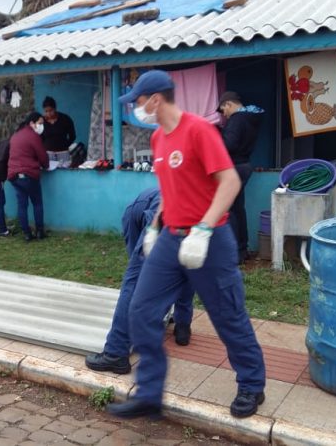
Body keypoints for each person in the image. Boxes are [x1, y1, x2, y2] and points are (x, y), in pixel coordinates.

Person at [107, 70, 265, 420]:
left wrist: (205, 229)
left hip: (210, 240)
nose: (135, 108)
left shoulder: (199, 130)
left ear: (155, 100)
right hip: (171, 237)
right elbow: (171, 189)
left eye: (137, 101)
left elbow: (229, 183)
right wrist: (154, 226)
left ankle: (253, 384)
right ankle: (149, 394)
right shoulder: (159, 140)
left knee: (228, 317)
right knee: (142, 310)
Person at [85, 188, 195, 374]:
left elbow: (137, 259)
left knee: (134, 281)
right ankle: (183, 327)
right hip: (197, 216)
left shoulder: (131, 213)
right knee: (187, 266)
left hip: (163, 214)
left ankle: (115, 353)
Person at [217, 91, 264, 264]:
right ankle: (242, 250)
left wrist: (217, 136)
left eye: (223, 110)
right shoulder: (250, 118)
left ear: (229, 104)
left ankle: (234, 252)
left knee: (228, 210)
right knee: (237, 209)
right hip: (244, 165)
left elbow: (229, 144)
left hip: (234, 167)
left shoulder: (237, 120)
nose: (224, 115)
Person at [7, 112, 48, 242]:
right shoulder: (33, 136)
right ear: (32, 123)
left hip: (14, 176)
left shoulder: (15, 135)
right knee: (37, 203)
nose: (41, 126)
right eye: (40, 123)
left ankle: (26, 233)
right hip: (29, 175)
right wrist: (45, 165)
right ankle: (40, 231)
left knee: (22, 205)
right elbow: (43, 157)